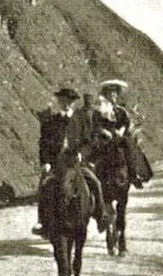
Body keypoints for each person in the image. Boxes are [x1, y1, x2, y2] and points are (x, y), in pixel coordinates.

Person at [32, 86, 107, 236]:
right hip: (55, 164)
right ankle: (43, 222)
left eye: (69, 101)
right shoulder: (51, 121)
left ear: (73, 102)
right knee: (44, 186)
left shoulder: (80, 119)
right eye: (62, 100)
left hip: (76, 162)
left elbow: (88, 141)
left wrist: (81, 153)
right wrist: (45, 162)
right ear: (59, 102)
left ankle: (101, 215)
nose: (65, 103)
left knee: (95, 182)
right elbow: (44, 144)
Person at [91, 79, 153, 188]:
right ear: (107, 95)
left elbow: (125, 123)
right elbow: (97, 125)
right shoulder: (100, 110)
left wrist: (121, 131)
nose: (114, 97)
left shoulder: (120, 111)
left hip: (118, 137)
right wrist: (106, 132)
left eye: (116, 94)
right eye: (112, 94)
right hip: (104, 138)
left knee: (130, 146)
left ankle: (135, 173)